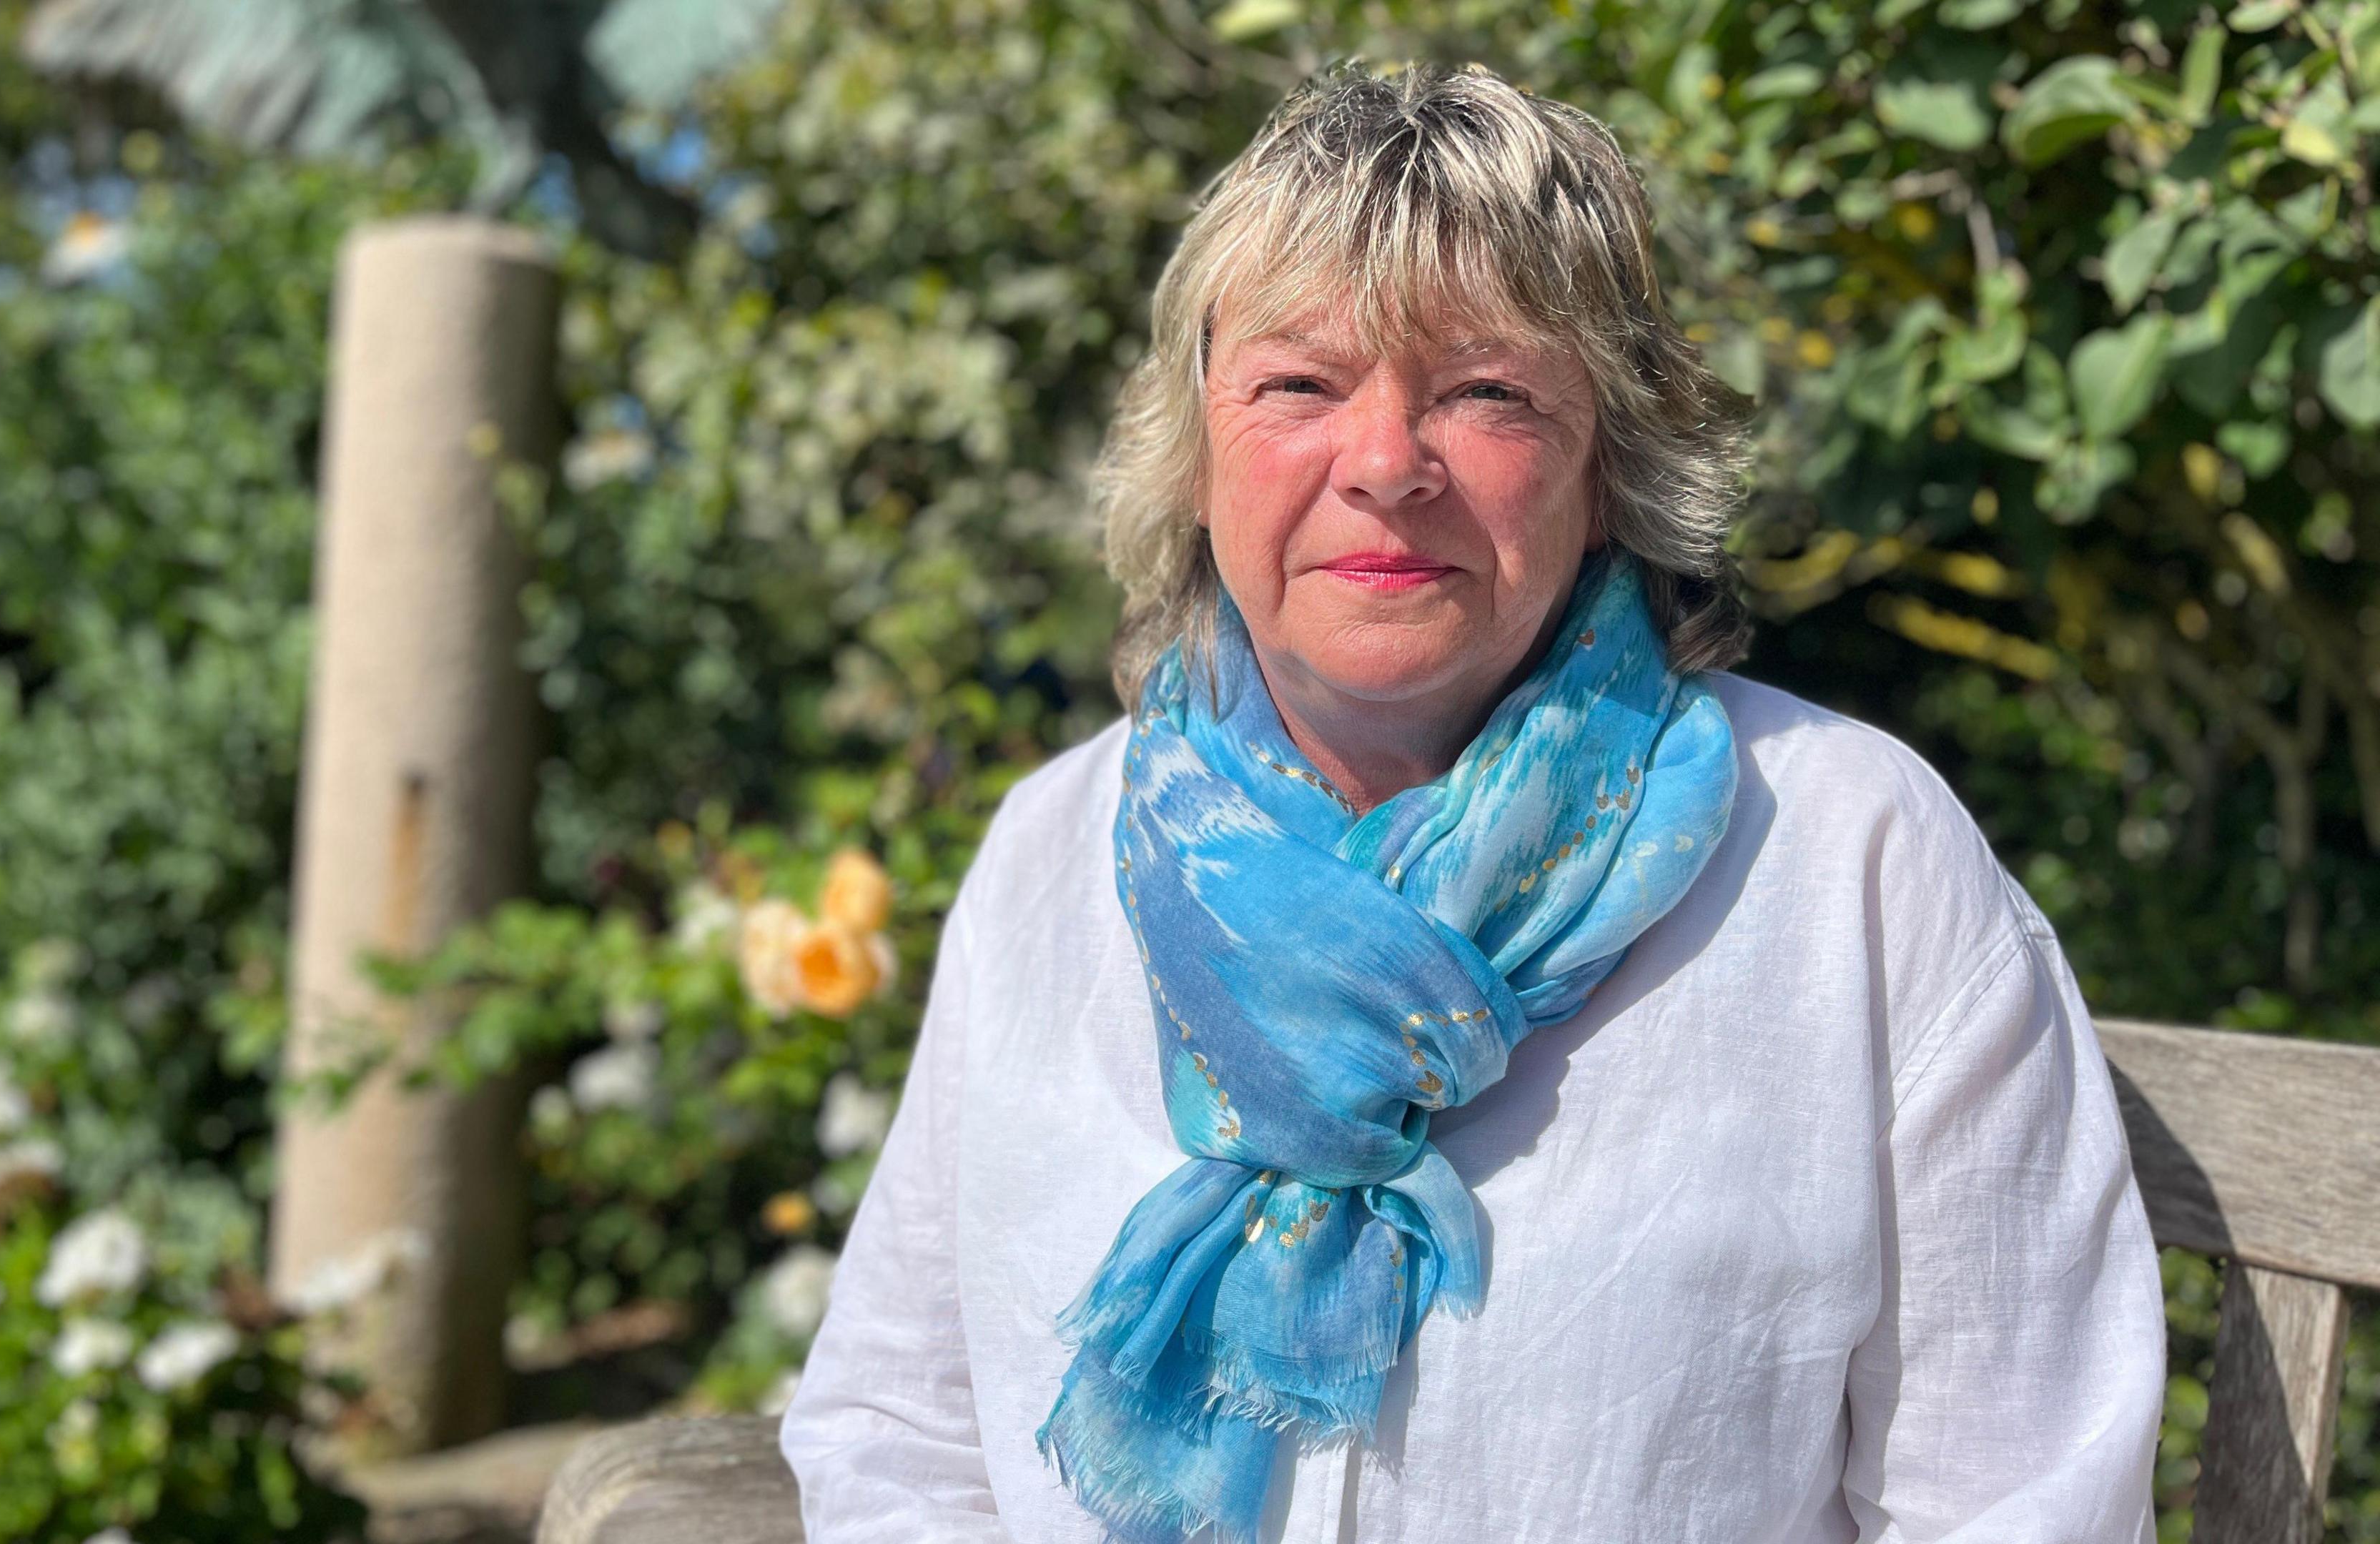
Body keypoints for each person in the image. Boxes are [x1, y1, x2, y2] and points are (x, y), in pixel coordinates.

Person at [779, 59, 2163, 1543]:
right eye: (1300, 383)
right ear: (1197, 454)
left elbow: (2021, 1499)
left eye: (1486, 392)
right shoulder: (1047, 855)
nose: (1383, 465)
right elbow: (899, 1431)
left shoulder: (1854, 863)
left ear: (1609, 461)